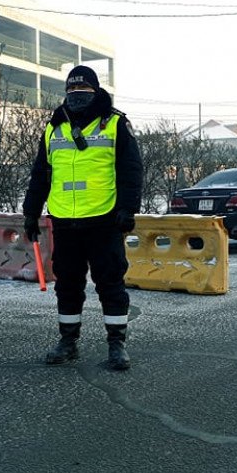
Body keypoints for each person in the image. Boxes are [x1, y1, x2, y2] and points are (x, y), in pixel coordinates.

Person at [23, 65, 143, 371]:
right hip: (64, 221)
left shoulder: (115, 123)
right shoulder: (53, 128)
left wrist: (128, 209)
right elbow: (40, 175)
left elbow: (131, 170)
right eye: (72, 91)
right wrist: (30, 213)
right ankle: (68, 342)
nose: (77, 96)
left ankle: (116, 345)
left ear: (96, 91)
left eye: (83, 91)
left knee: (110, 284)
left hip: (104, 220)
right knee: (68, 285)